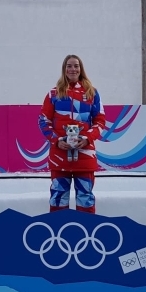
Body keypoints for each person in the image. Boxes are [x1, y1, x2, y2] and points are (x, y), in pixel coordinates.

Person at [38, 55, 106, 213]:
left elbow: (100, 121)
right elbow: (43, 121)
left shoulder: (92, 93)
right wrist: (56, 141)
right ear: (64, 69)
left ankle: (87, 228)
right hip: (59, 156)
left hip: (85, 156)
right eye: (69, 66)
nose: (73, 69)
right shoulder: (53, 94)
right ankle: (58, 227)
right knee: (58, 198)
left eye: (76, 66)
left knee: (85, 199)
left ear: (81, 69)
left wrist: (87, 138)